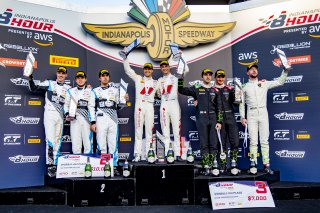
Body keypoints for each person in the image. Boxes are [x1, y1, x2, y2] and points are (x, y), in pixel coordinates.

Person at [240, 63, 289, 174]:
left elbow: (280, 82)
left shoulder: (264, 83)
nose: (254, 71)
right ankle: (253, 164)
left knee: (264, 141)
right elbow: (241, 104)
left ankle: (266, 165)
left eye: (255, 69)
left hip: (263, 112)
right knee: (253, 141)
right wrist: (242, 117)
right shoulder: (244, 87)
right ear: (247, 73)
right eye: (251, 69)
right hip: (251, 113)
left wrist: (285, 71)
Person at [28, 66, 71, 177]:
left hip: (61, 117)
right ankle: (51, 166)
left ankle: (55, 164)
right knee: (50, 141)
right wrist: (30, 77)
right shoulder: (49, 83)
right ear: (57, 74)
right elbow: (33, 88)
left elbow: (69, 104)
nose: (61, 75)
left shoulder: (69, 88)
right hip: (50, 115)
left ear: (66, 75)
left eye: (63, 73)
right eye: (59, 72)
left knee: (58, 141)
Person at [178, 68, 222, 169]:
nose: (208, 76)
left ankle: (213, 164)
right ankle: (206, 164)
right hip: (201, 118)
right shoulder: (197, 87)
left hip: (213, 118)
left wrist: (219, 121)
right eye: (206, 74)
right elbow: (181, 90)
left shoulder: (215, 90)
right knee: (204, 143)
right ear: (202, 76)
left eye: (209, 75)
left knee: (213, 143)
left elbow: (219, 107)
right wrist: (180, 78)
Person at [90, 69, 127, 174]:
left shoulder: (115, 90)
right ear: (99, 78)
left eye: (106, 75)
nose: (105, 77)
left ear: (109, 77)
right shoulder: (95, 91)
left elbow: (120, 106)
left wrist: (124, 99)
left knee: (113, 144)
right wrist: (93, 122)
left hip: (113, 120)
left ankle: (113, 166)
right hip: (100, 119)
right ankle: (102, 166)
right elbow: (91, 107)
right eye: (103, 75)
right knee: (101, 144)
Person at [123, 58, 158, 162]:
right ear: (143, 70)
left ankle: (150, 154)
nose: (147, 70)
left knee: (149, 133)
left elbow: (163, 94)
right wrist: (125, 59)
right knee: (138, 132)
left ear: (152, 70)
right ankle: (137, 155)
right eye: (145, 69)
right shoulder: (138, 78)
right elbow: (128, 70)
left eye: (149, 69)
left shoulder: (156, 83)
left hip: (150, 107)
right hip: (139, 107)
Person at [157, 59, 189, 161]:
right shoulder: (159, 80)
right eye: (163, 67)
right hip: (164, 104)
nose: (165, 68)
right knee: (165, 132)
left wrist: (181, 56)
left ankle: (178, 154)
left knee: (176, 131)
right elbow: (157, 93)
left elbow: (186, 70)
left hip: (174, 103)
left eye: (166, 66)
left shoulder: (176, 78)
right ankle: (168, 154)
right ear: (161, 68)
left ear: (169, 67)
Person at [214, 69, 239, 173]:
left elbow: (236, 103)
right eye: (218, 77)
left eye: (222, 77)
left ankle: (233, 164)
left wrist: (238, 94)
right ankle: (222, 166)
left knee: (235, 142)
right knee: (221, 144)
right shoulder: (211, 90)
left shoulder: (230, 89)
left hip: (230, 117)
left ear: (224, 78)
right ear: (215, 78)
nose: (220, 79)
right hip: (219, 119)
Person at [64, 71, 94, 154]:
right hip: (74, 120)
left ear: (85, 79)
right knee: (76, 144)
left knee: (88, 143)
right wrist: (67, 114)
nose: (80, 80)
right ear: (76, 80)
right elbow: (66, 105)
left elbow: (91, 107)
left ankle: (88, 163)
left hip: (86, 120)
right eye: (78, 78)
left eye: (82, 78)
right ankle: (77, 165)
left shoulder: (90, 91)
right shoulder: (70, 91)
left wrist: (93, 121)